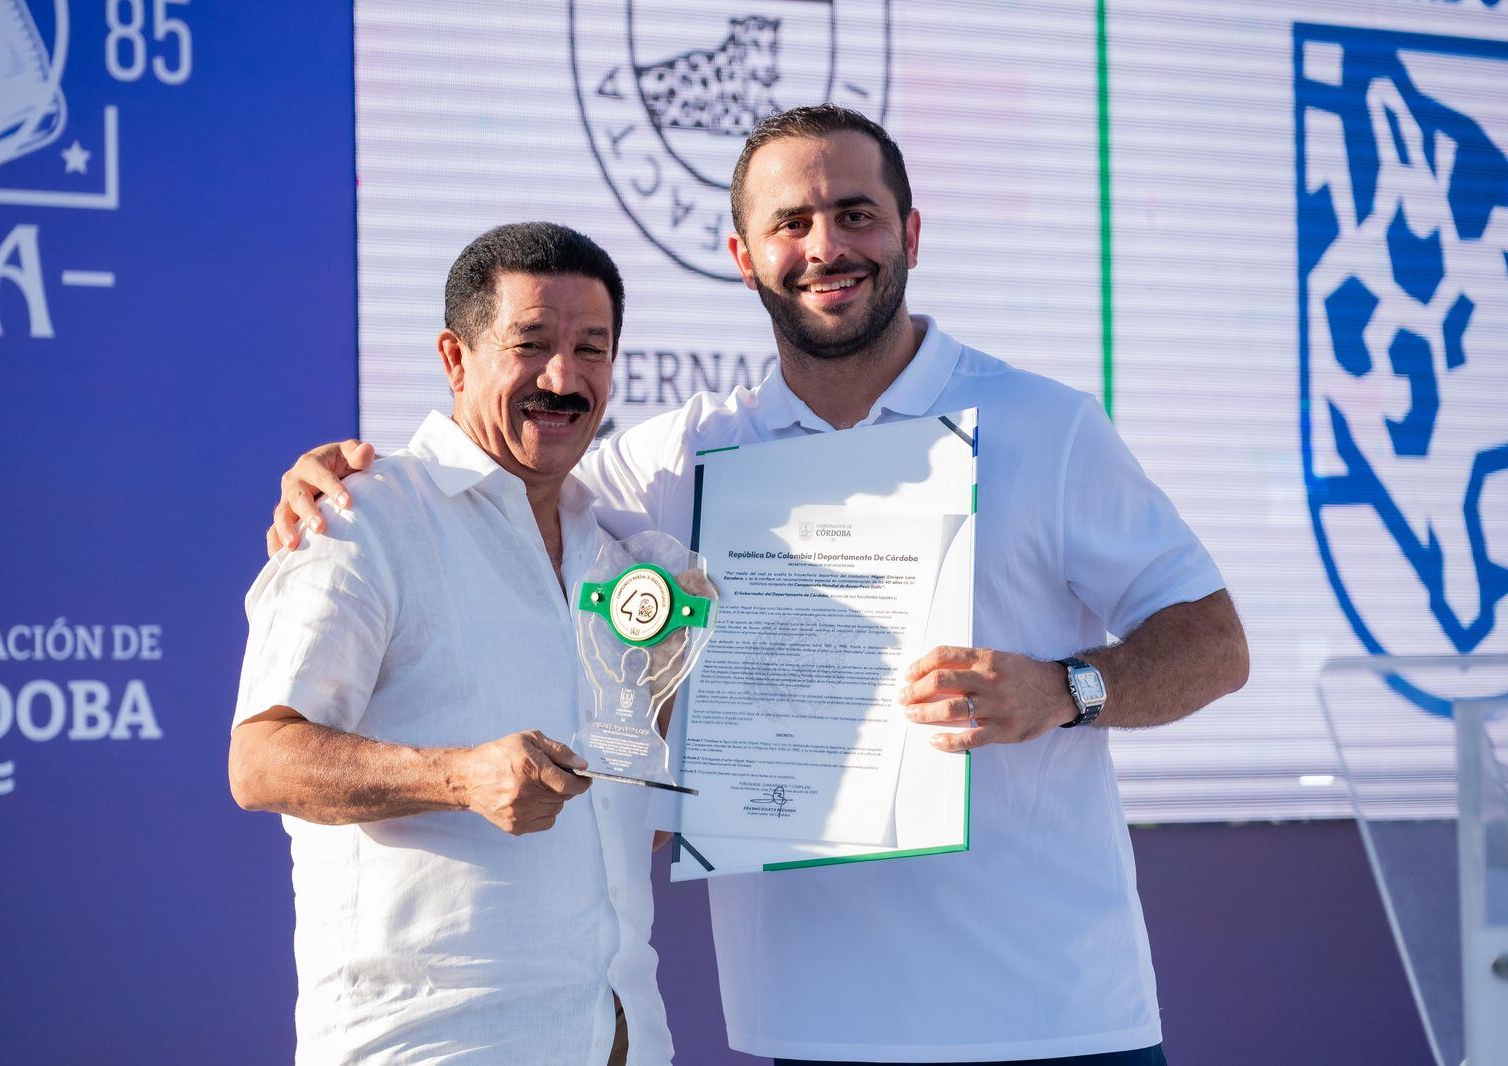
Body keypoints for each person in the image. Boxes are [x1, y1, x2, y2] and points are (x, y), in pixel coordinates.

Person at [267, 107, 1249, 1065]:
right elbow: (498, 463)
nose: (827, 246)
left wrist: (1063, 690)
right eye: (790, 223)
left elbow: (1214, 644)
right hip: (806, 1027)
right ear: (743, 256)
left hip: (1053, 1021)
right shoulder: (676, 460)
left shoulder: (1046, 425)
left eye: (856, 214)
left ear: (909, 232)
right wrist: (346, 478)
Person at [229, 222, 674, 1065]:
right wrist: (459, 777)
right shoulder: (363, 517)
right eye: (531, 343)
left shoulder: (617, 557)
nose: (564, 378)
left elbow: (628, 824)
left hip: (622, 1038)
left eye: (592, 348)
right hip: (434, 1045)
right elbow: (260, 761)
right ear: (455, 359)